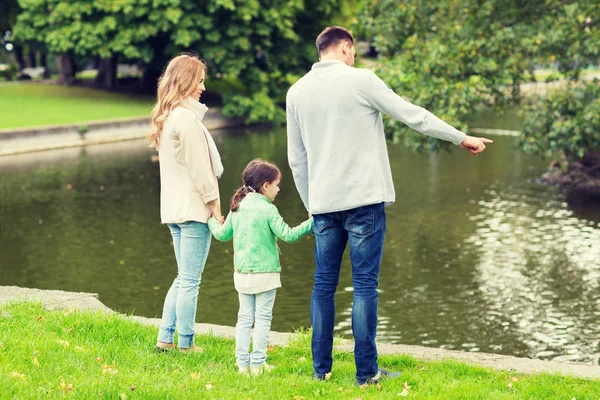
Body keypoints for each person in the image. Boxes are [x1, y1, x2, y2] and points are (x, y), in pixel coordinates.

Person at [286, 26, 493, 385]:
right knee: (364, 285)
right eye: (353, 52)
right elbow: (414, 115)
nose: (355, 58)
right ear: (346, 48)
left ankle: (322, 372)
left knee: (323, 285)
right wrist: (462, 138)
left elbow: (296, 159)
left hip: (323, 205)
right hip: (363, 201)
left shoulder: (296, 92)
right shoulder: (361, 80)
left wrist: (311, 203)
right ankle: (366, 374)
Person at [148, 53, 225, 353]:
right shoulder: (186, 119)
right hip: (193, 210)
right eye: (200, 81)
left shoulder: (168, 117)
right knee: (190, 281)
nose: (203, 88)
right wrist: (215, 206)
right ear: (186, 81)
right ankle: (186, 345)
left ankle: (165, 339)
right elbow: (200, 170)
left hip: (174, 210)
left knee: (183, 278)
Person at [208, 159, 313, 375]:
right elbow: (289, 235)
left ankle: (242, 365)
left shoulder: (238, 207)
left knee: (244, 318)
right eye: (276, 184)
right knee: (263, 319)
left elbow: (221, 234)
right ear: (265, 185)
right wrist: (313, 222)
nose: (278, 188)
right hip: (266, 275)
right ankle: (257, 364)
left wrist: (211, 219)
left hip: (242, 275)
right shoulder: (268, 209)